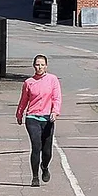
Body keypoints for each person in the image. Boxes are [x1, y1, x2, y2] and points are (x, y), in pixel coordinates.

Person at [15, 54, 62, 187]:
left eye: (42, 64)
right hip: (32, 118)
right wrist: (19, 114)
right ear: (33, 66)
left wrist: (55, 112)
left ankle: (45, 167)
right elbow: (24, 100)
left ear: (46, 66)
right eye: (37, 64)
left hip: (48, 118)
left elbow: (57, 98)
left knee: (47, 151)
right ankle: (35, 177)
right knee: (36, 147)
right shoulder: (28, 82)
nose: (39, 67)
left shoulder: (53, 80)